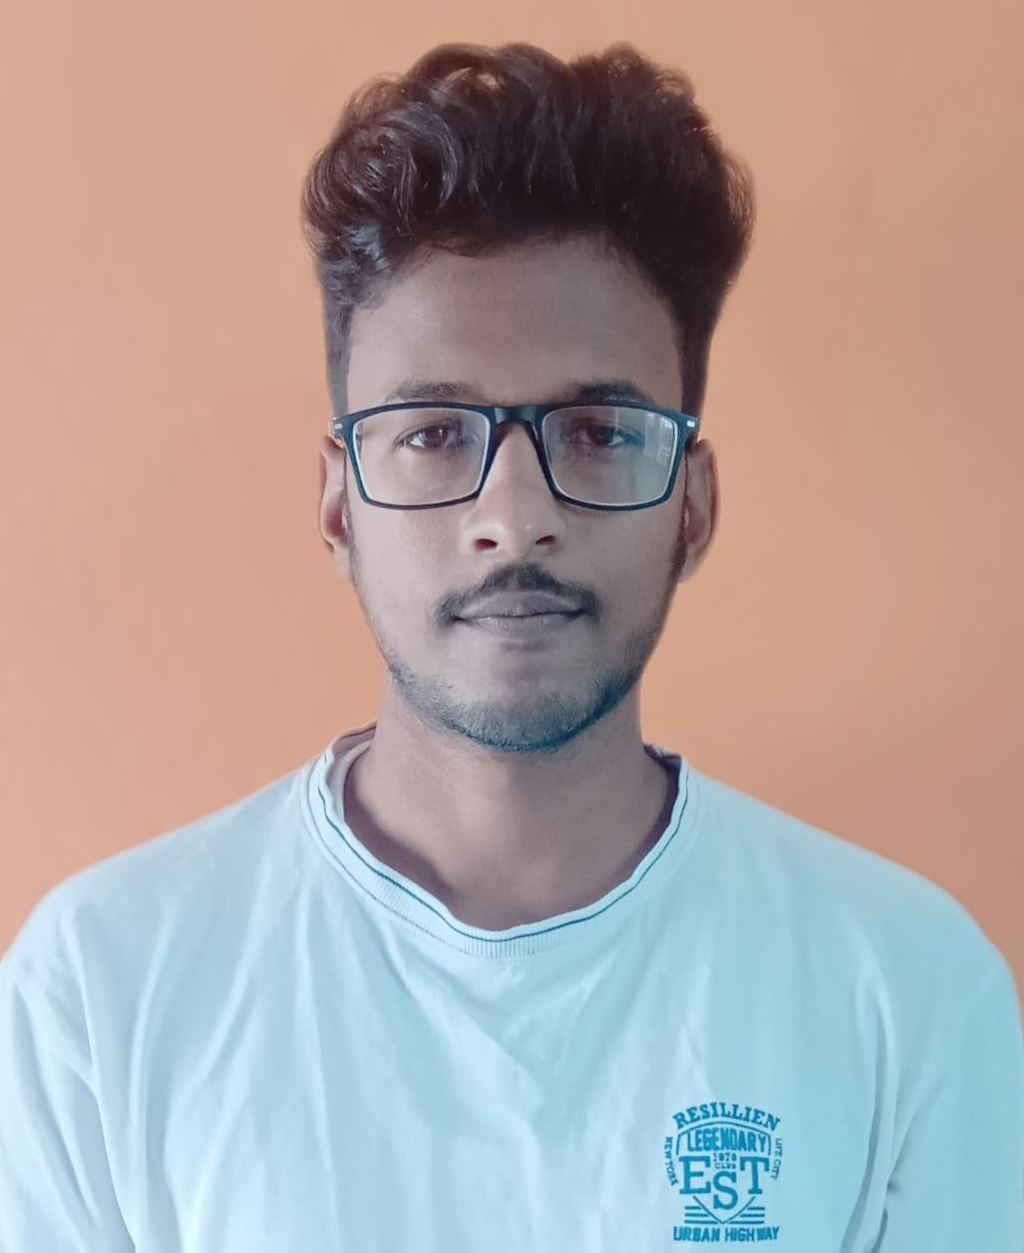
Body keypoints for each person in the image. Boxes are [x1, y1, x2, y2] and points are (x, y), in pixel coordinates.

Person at [1, 38, 1021, 1252]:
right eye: (434, 432)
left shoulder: (905, 987)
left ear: (691, 508)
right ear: (339, 507)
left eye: (599, 430)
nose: (514, 515)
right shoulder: (102, 987)